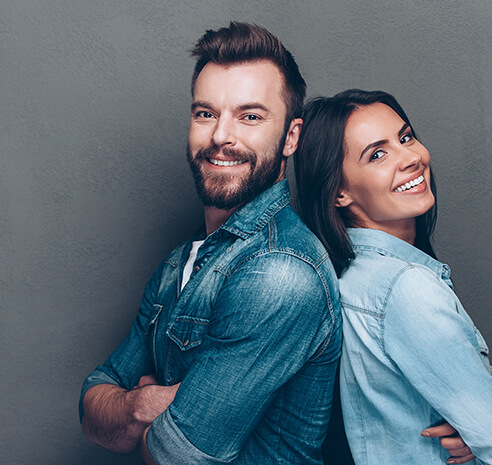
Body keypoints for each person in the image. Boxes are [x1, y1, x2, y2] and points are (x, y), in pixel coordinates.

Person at [79, 22, 342, 465]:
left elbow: (177, 456)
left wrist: (142, 417)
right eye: (206, 113)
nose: (221, 136)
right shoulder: (180, 264)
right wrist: (144, 405)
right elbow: (92, 404)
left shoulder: (281, 272)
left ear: (291, 137)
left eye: (250, 116)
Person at [295, 89, 492, 465]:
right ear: (338, 191)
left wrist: (476, 419)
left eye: (405, 138)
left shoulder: (346, 279)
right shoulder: (406, 288)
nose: (412, 158)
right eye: (378, 154)